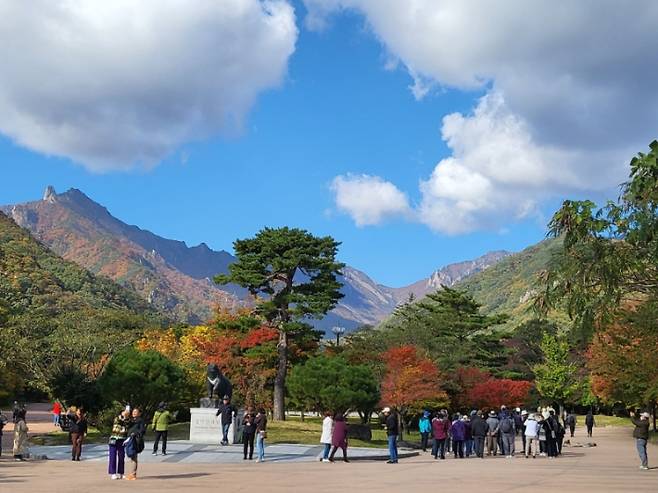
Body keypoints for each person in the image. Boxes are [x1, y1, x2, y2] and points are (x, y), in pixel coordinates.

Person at [108, 406, 131, 480]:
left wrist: (126, 417)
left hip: (122, 439)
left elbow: (128, 424)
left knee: (121, 456)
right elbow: (120, 421)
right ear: (122, 411)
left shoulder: (128, 420)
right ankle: (113, 473)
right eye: (125, 411)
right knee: (113, 456)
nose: (126, 413)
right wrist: (124, 416)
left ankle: (121, 473)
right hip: (114, 438)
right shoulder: (117, 418)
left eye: (127, 411)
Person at [125, 408, 146, 480]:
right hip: (129, 440)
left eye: (136, 412)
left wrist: (135, 434)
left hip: (135, 440)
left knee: (134, 457)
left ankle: (133, 474)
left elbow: (142, 430)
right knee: (132, 457)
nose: (134, 413)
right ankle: (132, 473)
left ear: (139, 413)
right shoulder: (131, 420)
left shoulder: (140, 421)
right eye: (133, 412)